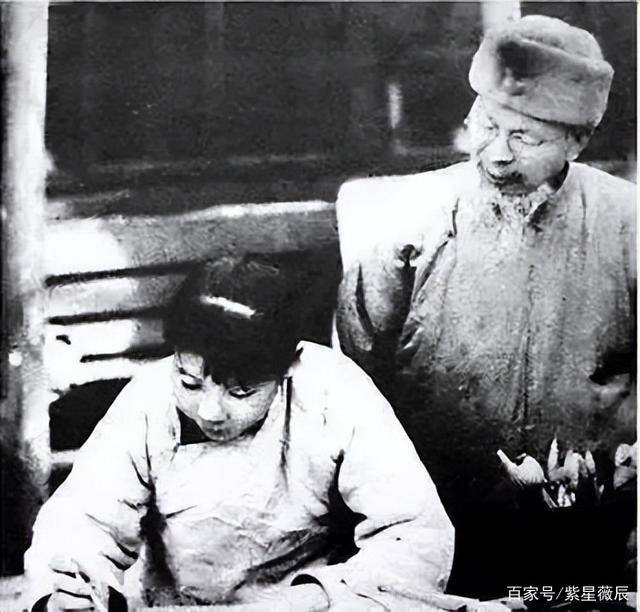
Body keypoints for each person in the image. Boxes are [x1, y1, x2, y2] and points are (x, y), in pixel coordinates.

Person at [335, 15, 636, 599]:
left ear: (577, 142)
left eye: (525, 138)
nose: (497, 154)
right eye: (485, 125)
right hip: (437, 527)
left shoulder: (629, 224)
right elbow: (353, 378)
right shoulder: (409, 219)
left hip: (591, 532)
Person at [24, 256, 455, 612]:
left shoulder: (333, 392)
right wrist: (72, 590)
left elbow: (416, 533)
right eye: (189, 383)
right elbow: (83, 519)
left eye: (241, 391)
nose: (210, 411)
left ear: (288, 368)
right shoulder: (148, 400)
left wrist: (319, 598)